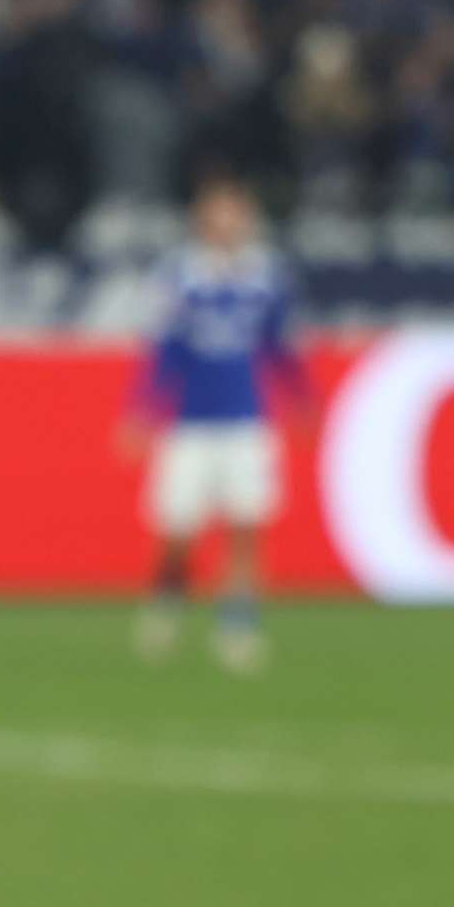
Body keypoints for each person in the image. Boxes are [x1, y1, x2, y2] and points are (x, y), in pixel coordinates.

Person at [121, 171, 306, 675]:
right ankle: (167, 602)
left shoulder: (266, 274)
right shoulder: (179, 276)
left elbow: (278, 346)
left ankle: (237, 626)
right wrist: (143, 409)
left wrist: (300, 398)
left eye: (234, 210)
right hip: (191, 425)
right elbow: (166, 351)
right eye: (216, 210)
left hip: (247, 421)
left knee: (248, 526)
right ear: (202, 218)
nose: (226, 220)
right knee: (178, 532)